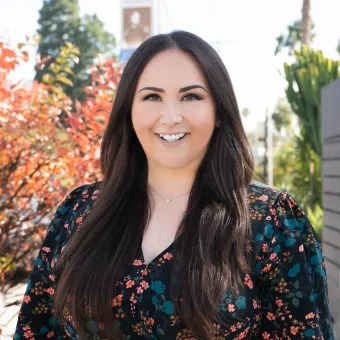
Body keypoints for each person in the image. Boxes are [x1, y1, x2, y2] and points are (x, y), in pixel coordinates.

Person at [13, 31, 334, 340]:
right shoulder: (80, 210)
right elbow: (37, 328)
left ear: (219, 111)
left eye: (191, 96)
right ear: (129, 110)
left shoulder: (272, 221)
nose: (170, 116)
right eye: (152, 96)